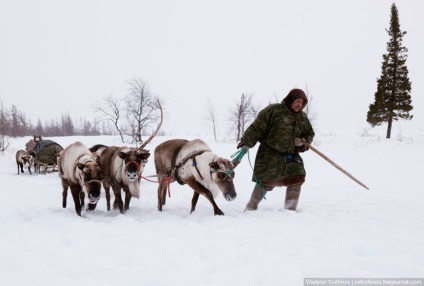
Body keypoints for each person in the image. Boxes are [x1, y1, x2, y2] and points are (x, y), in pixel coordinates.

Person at [237, 88, 315, 211]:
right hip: (270, 154)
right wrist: (247, 142)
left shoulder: (302, 117)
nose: (299, 104)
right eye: (297, 101)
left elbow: (310, 133)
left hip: (290, 156)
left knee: (297, 176)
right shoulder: (274, 110)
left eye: (302, 102)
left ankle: (290, 209)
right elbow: (258, 126)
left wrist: (302, 143)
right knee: (265, 182)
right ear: (290, 100)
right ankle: (251, 207)